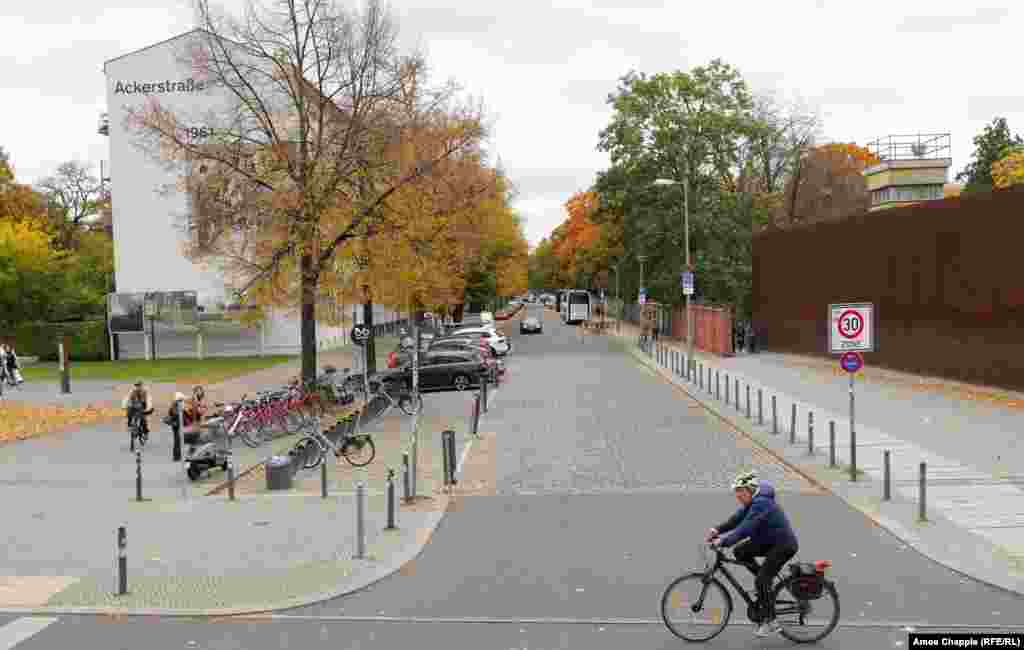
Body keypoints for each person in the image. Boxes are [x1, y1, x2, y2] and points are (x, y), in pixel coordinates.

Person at [707, 471, 799, 637]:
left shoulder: (761, 503)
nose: (738, 496)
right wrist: (717, 530)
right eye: (736, 492)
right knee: (740, 552)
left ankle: (771, 621)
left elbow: (745, 528)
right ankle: (765, 584)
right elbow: (737, 518)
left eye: (740, 492)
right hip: (769, 541)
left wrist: (723, 541)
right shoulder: (754, 501)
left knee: (761, 580)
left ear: (749, 490)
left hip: (783, 546)